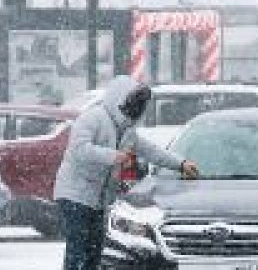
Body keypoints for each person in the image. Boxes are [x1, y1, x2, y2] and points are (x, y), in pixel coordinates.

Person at [54, 76, 200, 270]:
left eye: (139, 106)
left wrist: (180, 164)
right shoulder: (93, 118)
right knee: (79, 249)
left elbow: (151, 151)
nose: (136, 111)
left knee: (95, 250)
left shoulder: (128, 130)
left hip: (98, 199)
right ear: (119, 100)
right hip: (74, 195)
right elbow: (80, 150)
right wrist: (116, 157)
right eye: (133, 104)